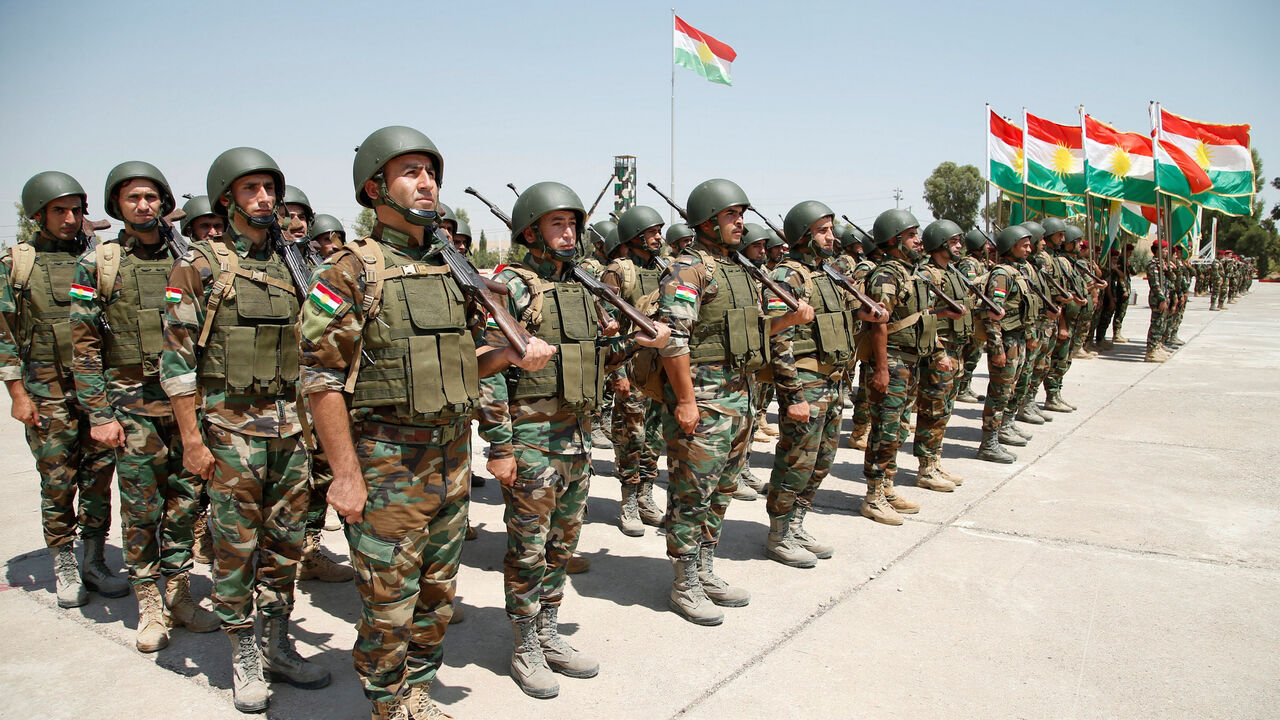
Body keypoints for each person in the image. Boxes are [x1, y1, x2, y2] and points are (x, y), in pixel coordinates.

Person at [302, 126, 555, 719]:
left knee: (437, 598)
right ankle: (387, 706)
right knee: (389, 604)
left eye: (431, 172)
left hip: (449, 458)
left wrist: (512, 354)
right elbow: (320, 380)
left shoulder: (453, 268)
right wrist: (344, 474)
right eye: (411, 171)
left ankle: (418, 693)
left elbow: (471, 362)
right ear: (374, 187)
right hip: (385, 462)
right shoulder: (349, 272)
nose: (427, 183)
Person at [479, 181, 668, 697]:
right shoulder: (511, 288)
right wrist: (499, 445)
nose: (567, 233)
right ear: (531, 231)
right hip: (532, 438)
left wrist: (637, 341)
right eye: (556, 224)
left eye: (572, 224)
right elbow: (488, 371)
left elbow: (602, 353)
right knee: (529, 547)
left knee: (563, 544)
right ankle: (523, 644)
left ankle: (548, 631)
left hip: (579, 438)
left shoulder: (584, 286)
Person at [161, 147, 326, 713]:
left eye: (270, 189)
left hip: (292, 432)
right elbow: (178, 363)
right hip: (230, 432)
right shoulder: (199, 265)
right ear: (227, 198)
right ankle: (243, 651)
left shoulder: (295, 265)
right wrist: (190, 440)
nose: (265, 199)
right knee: (235, 548)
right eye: (251, 190)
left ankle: (278, 642)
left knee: (285, 547)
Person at [71, 161, 220, 652]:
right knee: (141, 508)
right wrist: (99, 413)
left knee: (185, 502)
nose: (144, 206)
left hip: (188, 407)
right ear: (118, 205)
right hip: (131, 407)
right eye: (133, 198)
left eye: (152, 197)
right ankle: (148, 602)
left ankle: (178, 592)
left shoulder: (192, 259)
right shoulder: (98, 263)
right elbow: (85, 345)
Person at [655, 179, 810, 624]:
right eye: (730, 215)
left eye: (741, 214)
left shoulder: (741, 270)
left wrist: (788, 320)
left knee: (722, 490)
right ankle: (684, 582)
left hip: (740, 397)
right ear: (706, 221)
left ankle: (704, 568)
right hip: (703, 399)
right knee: (692, 492)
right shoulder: (689, 270)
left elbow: (753, 332)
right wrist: (686, 401)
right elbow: (674, 341)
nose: (740, 222)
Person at [0, 171, 125, 609]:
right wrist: (18, 394)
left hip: (95, 392)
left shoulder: (100, 260)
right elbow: (5, 337)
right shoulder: (18, 264)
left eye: (76, 210)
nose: (70, 219)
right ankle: (63, 560)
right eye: (60, 211)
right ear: (39, 214)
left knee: (98, 478)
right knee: (57, 480)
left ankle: (93, 558)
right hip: (46, 393)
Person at [764, 201, 881, 564]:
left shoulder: (827, 273)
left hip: (833, 381)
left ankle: (797, 521)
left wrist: (866, 311)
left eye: (831, 229)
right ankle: (779, 531)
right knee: (796, 460)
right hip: (807, 382)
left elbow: (847, 309)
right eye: (822, 230)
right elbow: (777, 337)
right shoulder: (788, 275)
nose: (832, 236)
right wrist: (792, 394)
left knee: (823, 459)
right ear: (803, 235)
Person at [861, 209, 946, 524]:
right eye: (911, 235)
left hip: (911, 361)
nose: (919, 241)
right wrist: (881, 369)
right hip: (892, 361)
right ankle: (873, 495)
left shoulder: (912, 272)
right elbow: (879, 324)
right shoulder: (887, 275)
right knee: (884, 428)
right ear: (895, 240)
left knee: (897, 428)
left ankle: (887, 485)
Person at [601, 205, 670, 534]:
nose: (659, 237)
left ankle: (646, 493)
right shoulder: (619, 270)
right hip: (628, 366)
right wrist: (617, 375)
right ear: (635, 235)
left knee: (655, 437)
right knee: (631, 437)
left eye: (660, 231)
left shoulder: (666, 268)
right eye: (652, 232)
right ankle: (628, 499)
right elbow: (606, 326)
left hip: (658, 368)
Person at [913, 219, 973, 491]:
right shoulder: (928, 274)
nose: (959, 245)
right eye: (953, 241)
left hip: (955, 350)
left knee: (945, 410)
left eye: (960, 241)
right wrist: (938, 351)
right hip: (939, 352)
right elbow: (923, 315)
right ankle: (925, 468)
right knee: (932, 410)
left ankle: (935, 460)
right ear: (939, 242)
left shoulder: (953, 272)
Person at [977, 225, 1035, 464]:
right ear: (1011, 246)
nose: (1029, 249)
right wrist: (997, 348)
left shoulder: (1018, 271)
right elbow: (993, 314)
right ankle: (988, 443)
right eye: (1025, 245)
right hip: (1006, 341)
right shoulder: (1002, 274)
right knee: (999, 393)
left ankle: (1005, 428)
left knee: (1010, 390)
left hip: (1018, 339)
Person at [953, 228, 991, 404]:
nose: (989, 246)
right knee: (968, 353)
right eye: (986, 243)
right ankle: (961, 387)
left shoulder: (980, 262)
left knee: (975, 354)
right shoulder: (969, 264)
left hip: (977, 314)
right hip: (972, 314)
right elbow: (971, 289)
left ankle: (965, 385)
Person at [1144, 241, 1171, 363]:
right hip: (1157, 298)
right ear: (1158, 250)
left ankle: (1157, 347)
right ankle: (1151, 352)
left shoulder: (1162, 264)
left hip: (1164, 296)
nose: (1166, 252)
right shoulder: (1152, 265)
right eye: (1164, 249)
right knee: (1156, 324)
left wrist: (1168, 269)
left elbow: (1172, 278)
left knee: (1161, 324)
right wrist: (1162, 299)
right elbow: (1154, 284)